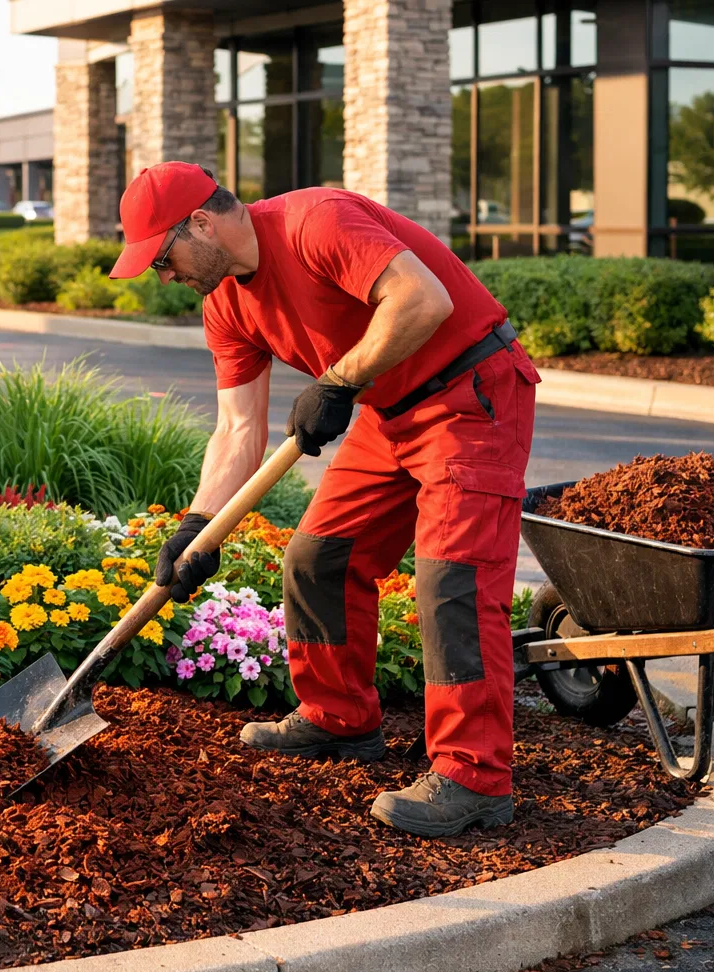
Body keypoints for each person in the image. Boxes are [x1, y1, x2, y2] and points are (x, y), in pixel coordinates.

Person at [108, 162, 540, 838]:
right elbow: (238, 428)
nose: (164, 276)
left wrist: (338, 380)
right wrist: (198, 526)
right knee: (318, 559)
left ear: (201, 221)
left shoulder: (316, 222)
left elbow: (422, 299)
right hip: (388, 409)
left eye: (164, 258)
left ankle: (474, 779)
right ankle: (339, 720)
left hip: (470, 393)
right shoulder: (225, 304)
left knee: (454, 582)